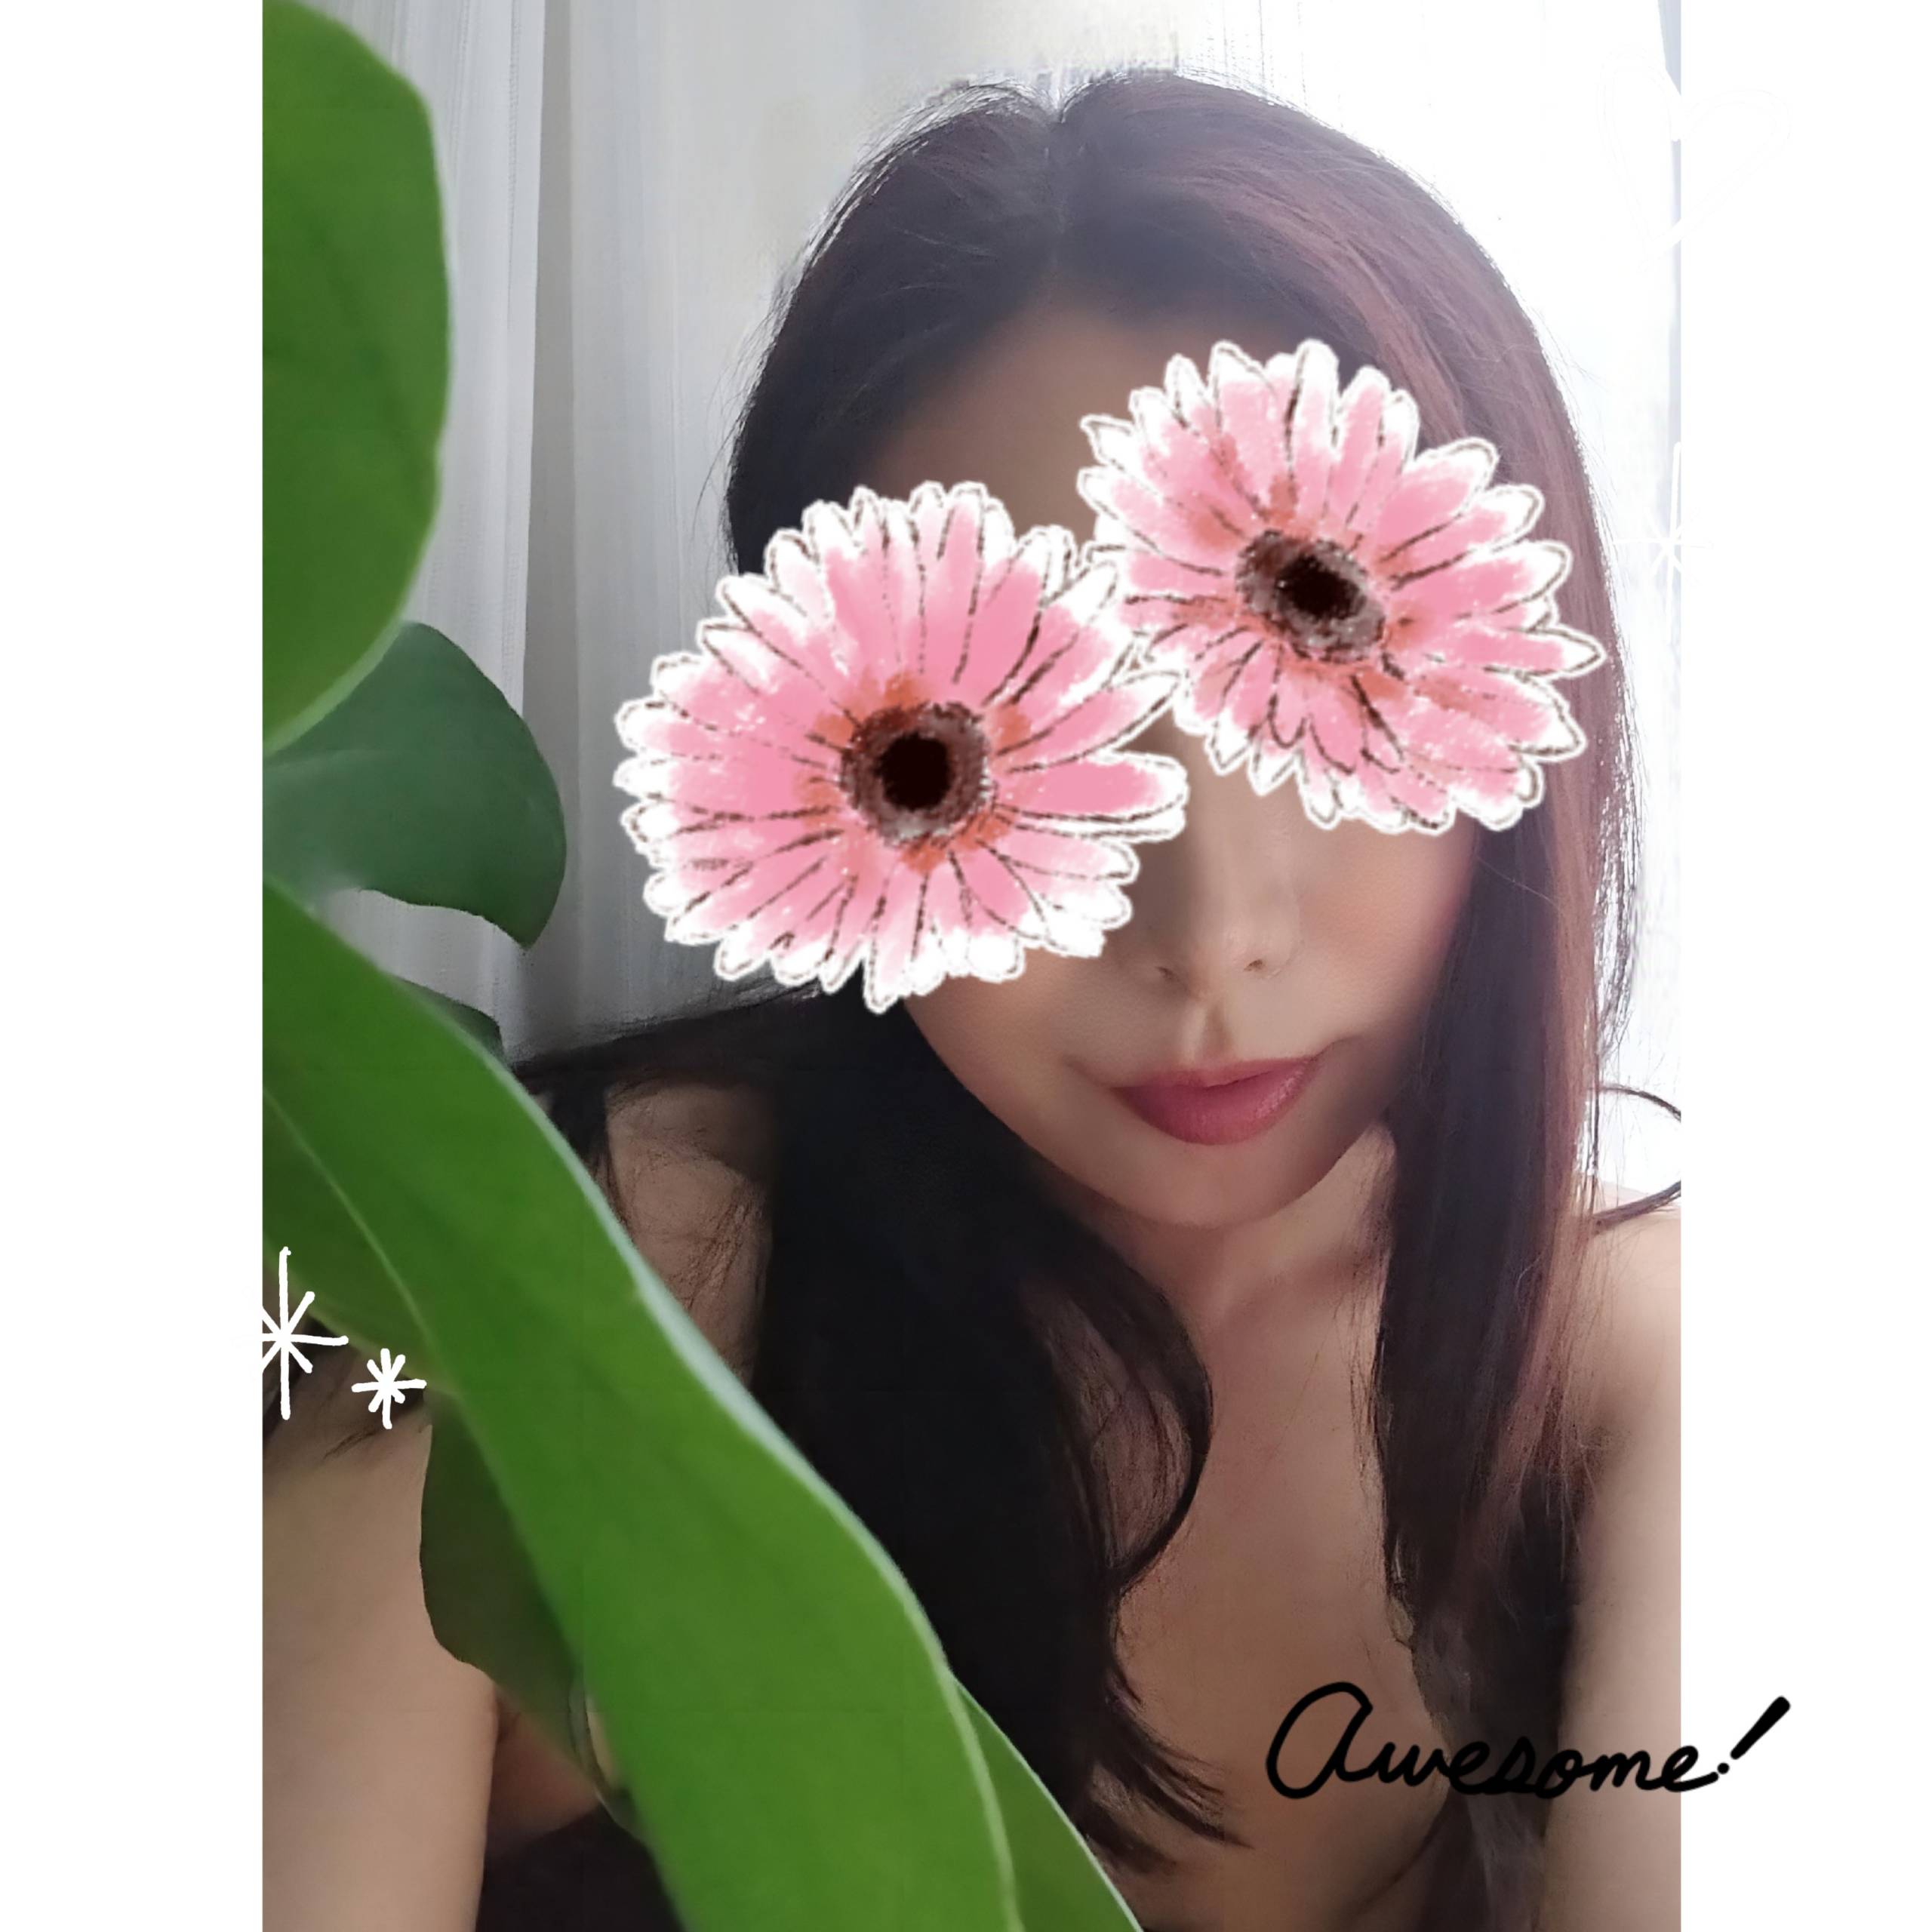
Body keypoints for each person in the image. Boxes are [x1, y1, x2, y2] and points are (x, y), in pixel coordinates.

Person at [263, 67, 1681, 1932]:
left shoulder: (1657, 1358)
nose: (1208, 929)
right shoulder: (527, 1285)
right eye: (978, 748)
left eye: (1321, 673)